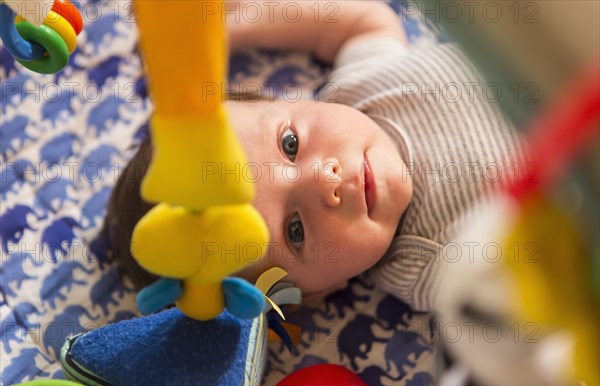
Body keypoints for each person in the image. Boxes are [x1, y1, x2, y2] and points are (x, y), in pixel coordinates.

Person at [102, 1, 524, 311]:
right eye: (296, 230)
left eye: (290, 146)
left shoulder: (363, 87)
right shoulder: (428, 265)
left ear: (286, 100)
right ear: (317, 290)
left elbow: (363, 22)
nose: (325, 179)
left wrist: (235, 28)